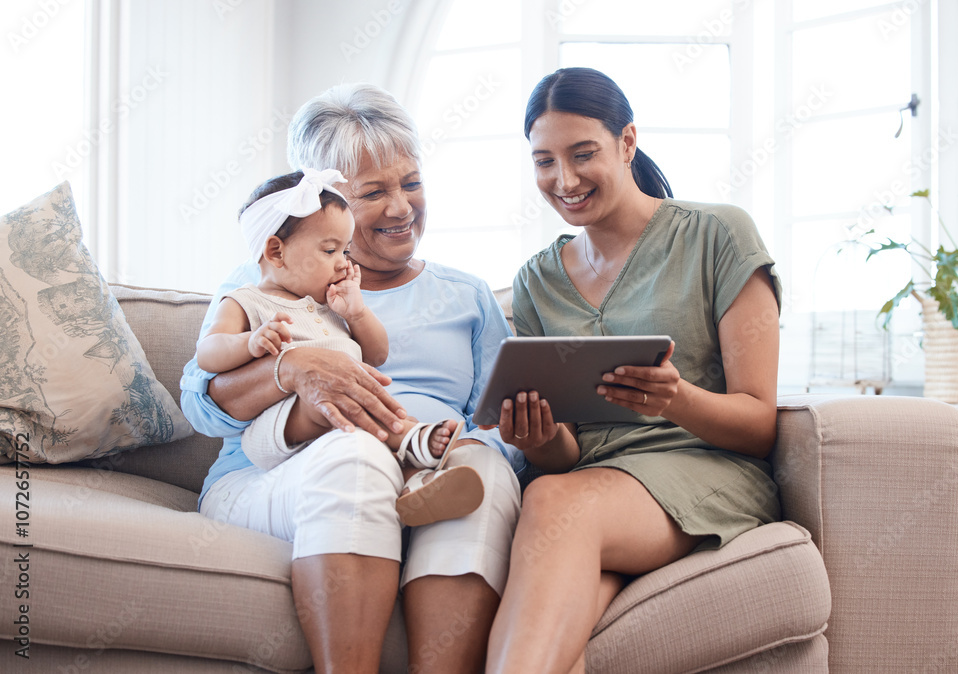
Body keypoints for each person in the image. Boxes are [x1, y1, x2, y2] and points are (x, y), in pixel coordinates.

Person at [179, 83, 523, 674]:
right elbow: (201, 405)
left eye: (411, 183)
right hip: (278, 476)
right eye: (373, 193)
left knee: (482, 469)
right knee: (356, 456)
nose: (401, 208)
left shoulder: (464, 296)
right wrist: (290, 368)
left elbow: (500, 422)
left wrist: (463, 444)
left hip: (428, 466)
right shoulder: (265, 281)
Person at [482, 67, 782, 673]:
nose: (562, 180)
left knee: (555, 503)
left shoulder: (718, 234)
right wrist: (541, 438)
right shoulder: (536, 281)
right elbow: (567, 456)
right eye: (544, 161)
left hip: (705, 473)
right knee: (561, 628)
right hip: (593, 487)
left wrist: (676, 399)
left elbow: (760, 425)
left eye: (583, 153)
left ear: (627, 142)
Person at [194, 168, 483, 526]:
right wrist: (249, 342)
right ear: (275, 251)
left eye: (345, 250)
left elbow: (377, 355)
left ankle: (416, 486)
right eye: (331, 250)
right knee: (336, 402)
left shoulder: (328, 305)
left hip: (341, 431)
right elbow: (208, 353)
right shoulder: (245, 300)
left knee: (365, 409)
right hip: (278, 428)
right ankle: (413, 436)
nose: (344, 262)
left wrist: (357, 313)